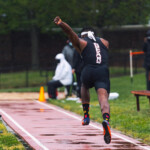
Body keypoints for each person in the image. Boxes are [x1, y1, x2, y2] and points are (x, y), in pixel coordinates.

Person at [54, 16, 111, 144]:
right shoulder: (105, 41)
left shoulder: (82, 42)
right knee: (103, 98)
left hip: (88, 70)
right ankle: (106, 120)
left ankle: (86, 115)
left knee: (84, 86)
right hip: (103, 71)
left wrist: (61, 23)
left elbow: (70, 33)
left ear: (82, 35)